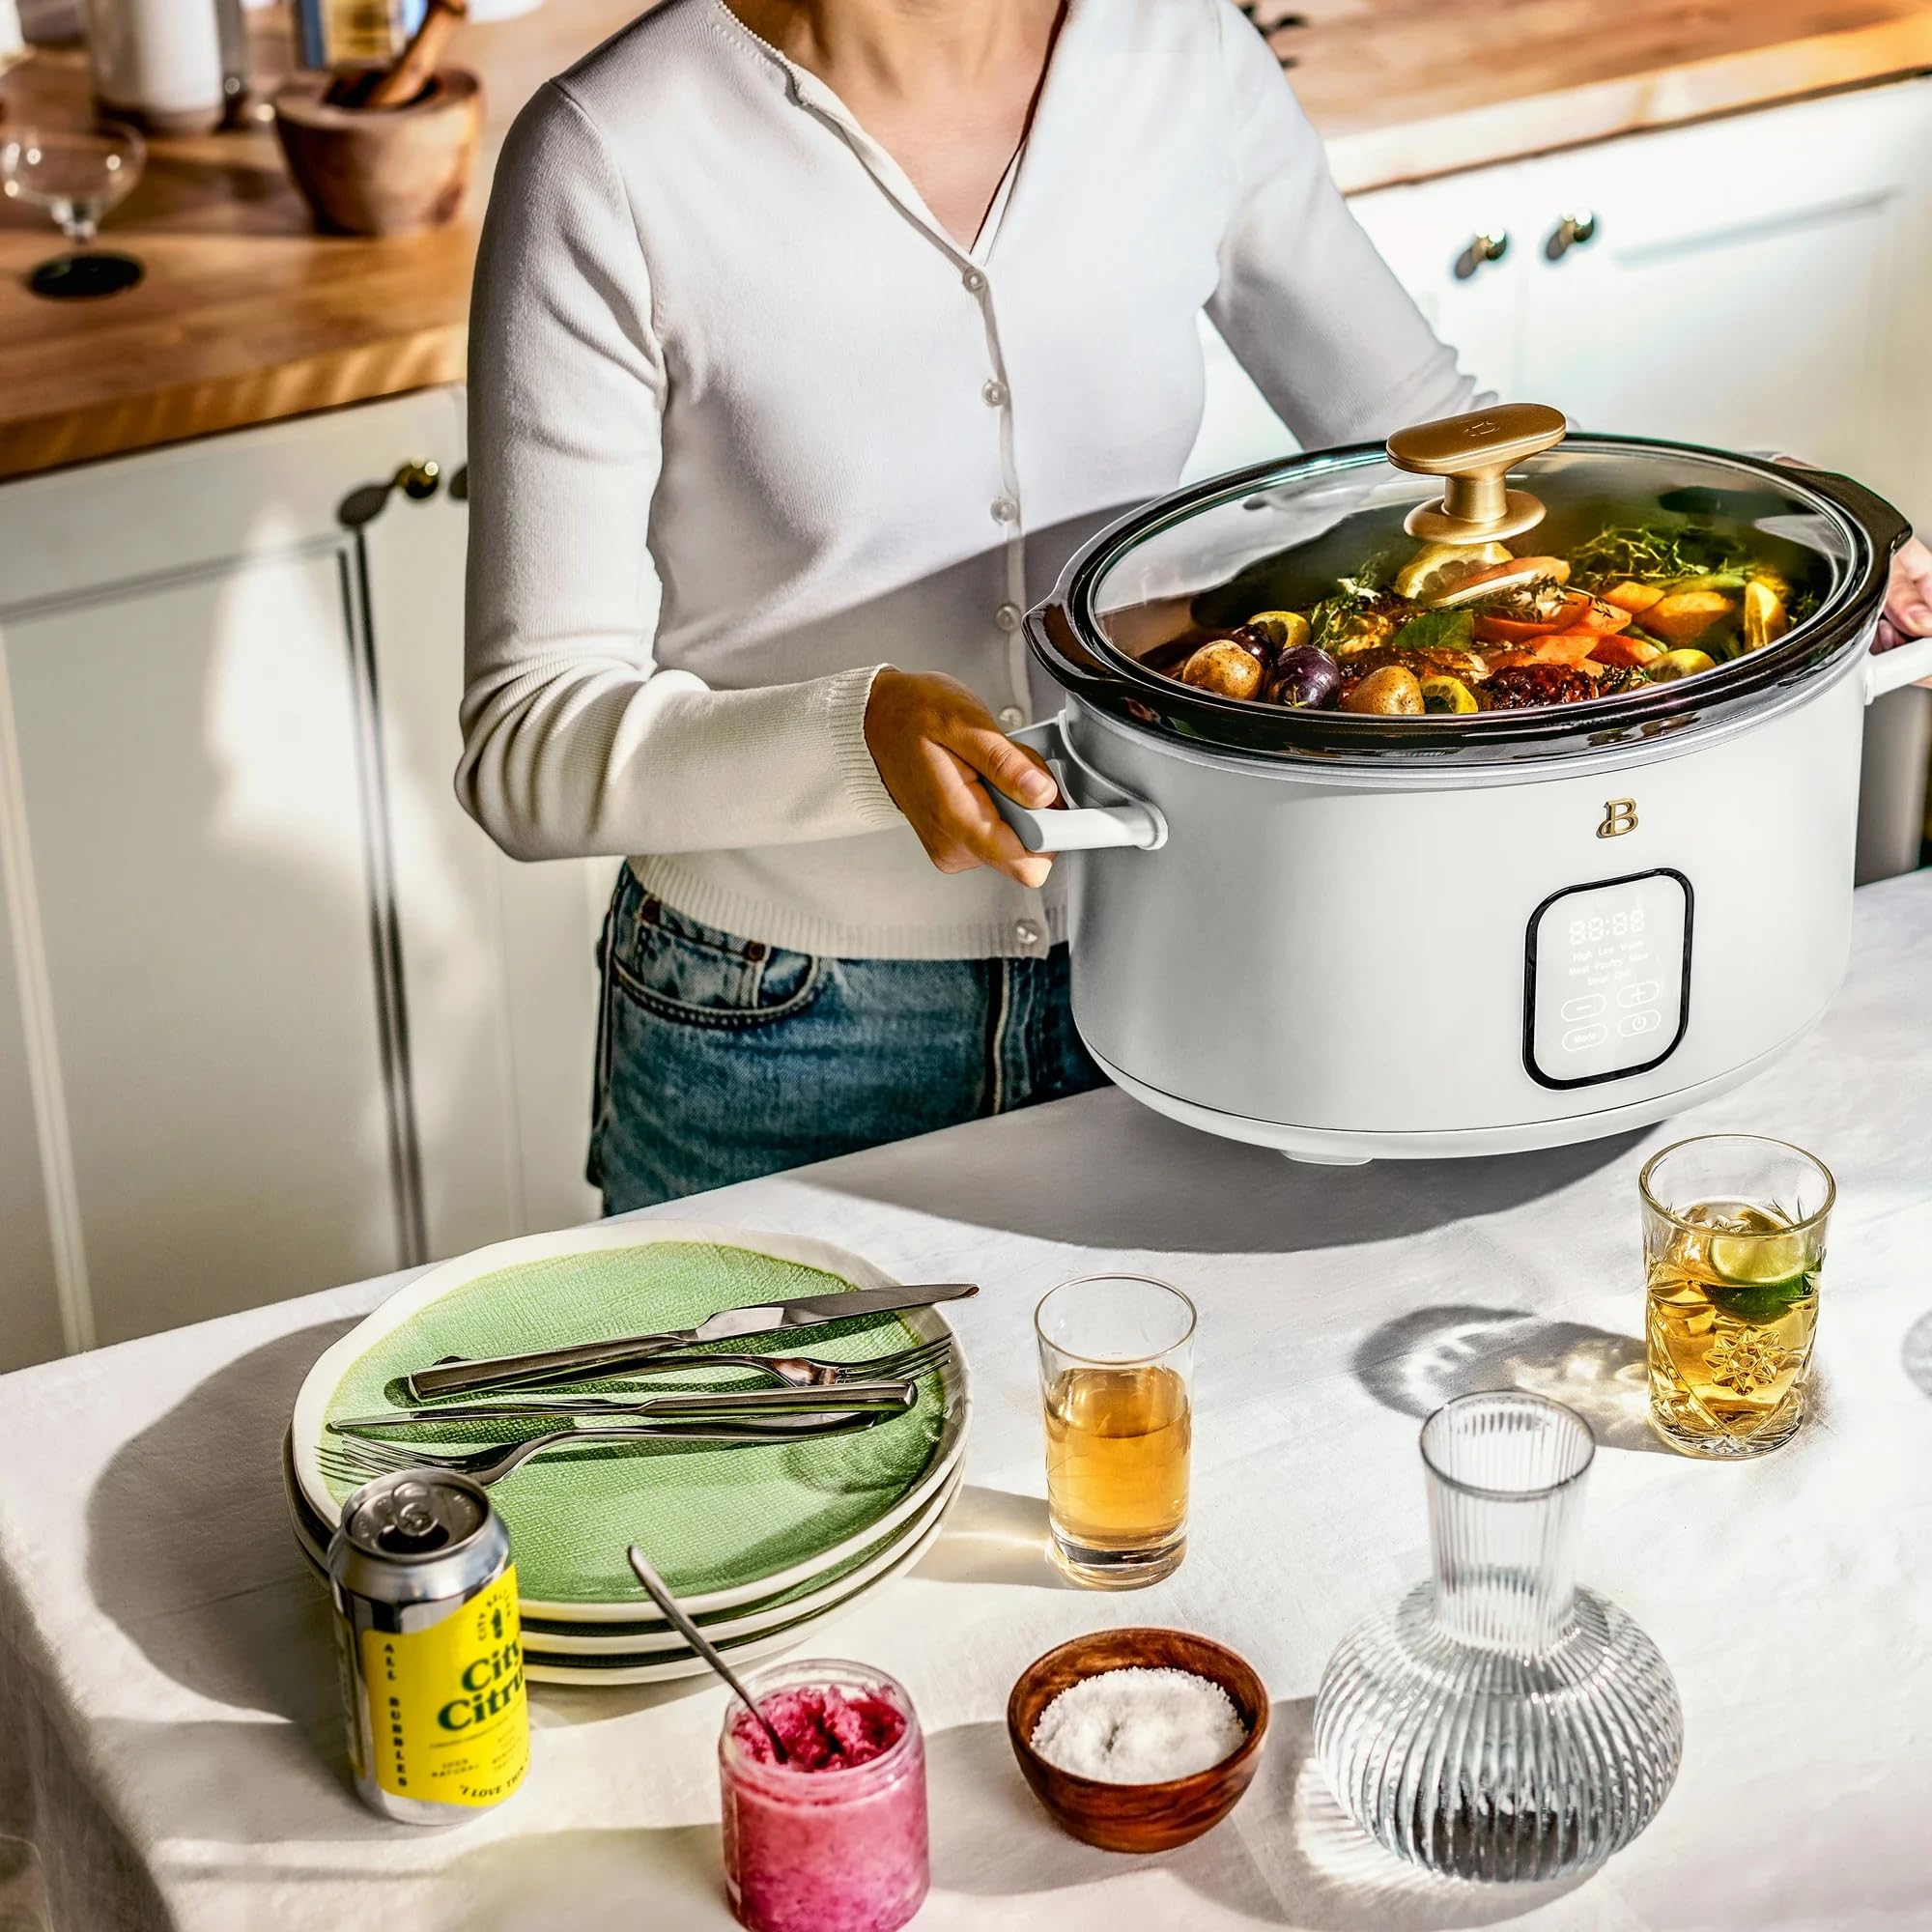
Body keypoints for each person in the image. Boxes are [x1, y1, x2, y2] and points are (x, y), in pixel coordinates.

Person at [461, 0, 1932, 1214]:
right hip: (783, 1026)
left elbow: (1424, 436)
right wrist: (862, 736)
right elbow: (527, 744)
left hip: (1169, 962)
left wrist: (1739, 532)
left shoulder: (1178, 60)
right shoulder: (615, 154)